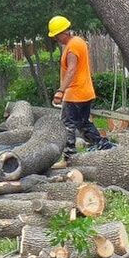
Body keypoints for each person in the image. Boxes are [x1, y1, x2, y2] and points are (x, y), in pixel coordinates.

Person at [48, 16, 114, 160]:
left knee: (67, 124)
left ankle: (69, 153)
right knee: (83, 123)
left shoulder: (72, 47)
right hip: (85, 91)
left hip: (74, 92)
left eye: (56, 35)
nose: (55, 39)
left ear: (63, 32)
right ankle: (103, 145)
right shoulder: (78, 42)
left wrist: (60, 91)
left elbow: (71, 70)